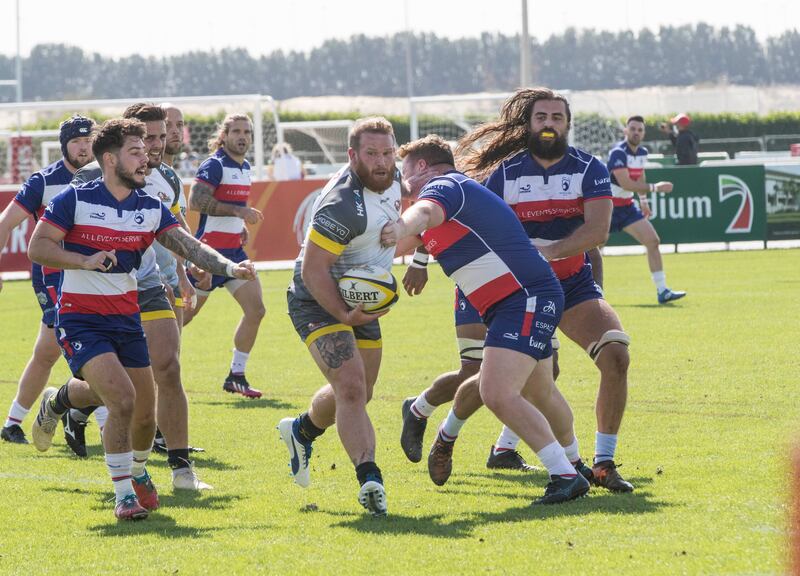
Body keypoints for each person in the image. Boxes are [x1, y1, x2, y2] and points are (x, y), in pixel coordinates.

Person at [407, 88, 634, 493]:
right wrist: (420, 260)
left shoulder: (588, 169)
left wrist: (554, 252)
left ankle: (599, 464)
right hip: (513, 287)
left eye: (557, 118)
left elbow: (597, 233)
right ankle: (463, 434)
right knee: (497, 375)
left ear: (568, 124)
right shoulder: (506, 174)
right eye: (541, 117)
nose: (549, 124)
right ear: (529, 124)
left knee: (614, 354)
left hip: (568, 283)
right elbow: (464, 223)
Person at [27, 118, 255, 520]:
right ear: (111, 159)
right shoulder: (75, 199)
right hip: (81, 319)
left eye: (146, 151)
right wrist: (83, 259)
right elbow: (38, 247)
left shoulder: (149, 206)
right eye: (136, 152)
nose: (146, 158)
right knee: (123, 399)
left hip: (127, 318)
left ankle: (131, 468)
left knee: (146, 415)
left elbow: (188, 245)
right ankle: (123, 496)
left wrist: (230, 268)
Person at [383, 135, 589, 505]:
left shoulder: (444, 186)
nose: (403, 181)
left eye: (404, 171)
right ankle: (575, 464)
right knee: (539, 390)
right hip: (519, 299)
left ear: (421, 167)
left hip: (522, 298)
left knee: (496, 392)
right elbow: (397, 245)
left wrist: (399, 226)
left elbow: (422, 215)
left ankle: (564, 475)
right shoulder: (450, 201)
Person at [65, 104, 210, 491]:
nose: (157, 146)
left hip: (151, 287)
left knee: (169, 369)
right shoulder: (91, 179)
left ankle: (180, 470)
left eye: (162, 137)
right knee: (120, 389)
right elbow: (56, 236)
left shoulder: (167, 179)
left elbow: (174, 236)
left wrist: (180, 273)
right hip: (99, 295)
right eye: (148, 139)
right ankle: (67, 401)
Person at [277, 117, 402, 517]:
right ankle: (370, 479)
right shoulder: (343, 204)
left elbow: (421, 210)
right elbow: (314, 271)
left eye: (387, 152)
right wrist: (344, 315)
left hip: (359, 294)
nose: (382, 162)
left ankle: (301, 430)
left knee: (359, 392)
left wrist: (415, 256)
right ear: (352, 155)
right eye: (371, 154)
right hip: (318, 296)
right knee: (350, 387)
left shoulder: (394, 177)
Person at [0, 116, 95, 445]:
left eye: (89, 141)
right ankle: (76, 414)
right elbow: (4, 224)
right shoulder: (44, 181)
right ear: (64, 145)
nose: (84, 147)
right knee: (81, 346)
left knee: (46, 353)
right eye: (77, 141)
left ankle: (13, 422)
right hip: (53, 278)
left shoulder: (106, 177)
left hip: (91, 275)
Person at [184, 114, 266, 399]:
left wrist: (239, 223)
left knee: (256, 310)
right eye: (236, 132)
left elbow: (230, 205)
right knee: (181, 319)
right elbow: (197, 201)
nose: (242, 136)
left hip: (233, 252)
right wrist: (239, 212)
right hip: (206, 256)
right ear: (225, 135)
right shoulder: (214, 164)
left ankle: (237, 375)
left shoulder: (244, 166)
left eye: (247, 132)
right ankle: (137, 363)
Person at [608, 116, 686, 304]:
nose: (636, 132)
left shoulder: (642, 152)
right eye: (632, 129)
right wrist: (656, 188)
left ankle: (663, 291)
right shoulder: (618, 153)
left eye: (640, 130)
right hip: (606, 208)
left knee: (652, 241)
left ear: (643, 133)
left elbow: (640, 176)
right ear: (626, 131)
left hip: (626, 207)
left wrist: (643, 200)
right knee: (589, 251)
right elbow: (625, 182)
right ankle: (584, 296)